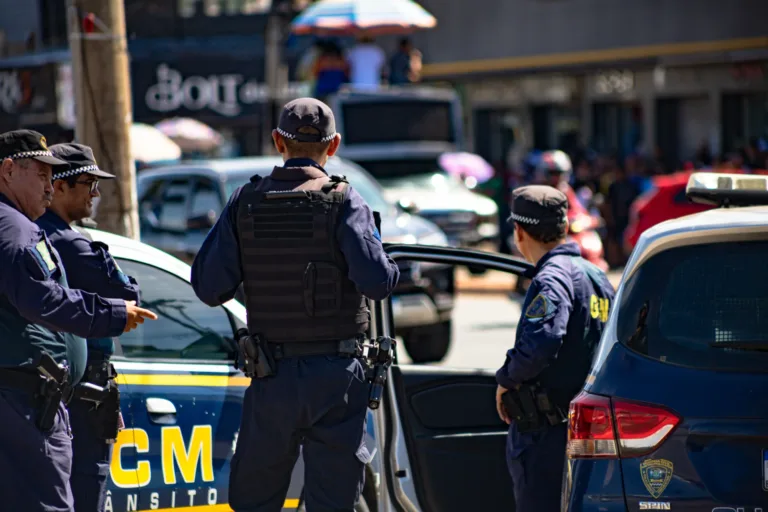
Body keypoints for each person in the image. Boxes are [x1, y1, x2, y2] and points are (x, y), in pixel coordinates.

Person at [191, 98, 400, 512]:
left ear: (277, 142)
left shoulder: (244, 201)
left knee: (255, 501)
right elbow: (378, 283)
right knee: (333, 502)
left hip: (273, 378)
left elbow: (208, 287)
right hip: (336, 379)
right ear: (334, 145)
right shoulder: (344, 201)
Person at [0, 129, 157, 512]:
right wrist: (112, 313)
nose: (48, 188)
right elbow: (43, 298)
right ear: (7, 170)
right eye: (40, 176)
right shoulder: (15, 229)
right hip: (21, 399)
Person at [495, 185, 615, 511]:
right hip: (590, 429)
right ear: (563, 226)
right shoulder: (596, 276)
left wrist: (507, 379)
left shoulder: (551, 278)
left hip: (548, 435)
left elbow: (542, 340)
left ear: (519, 231)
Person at [36, 142, 142, 512]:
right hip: (81, 398)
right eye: (88, 183)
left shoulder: (32, 234)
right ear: (60, 186)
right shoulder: (70, 244)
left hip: (52, 395)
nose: (96, 193)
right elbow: (128, 295)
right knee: (84, 493)